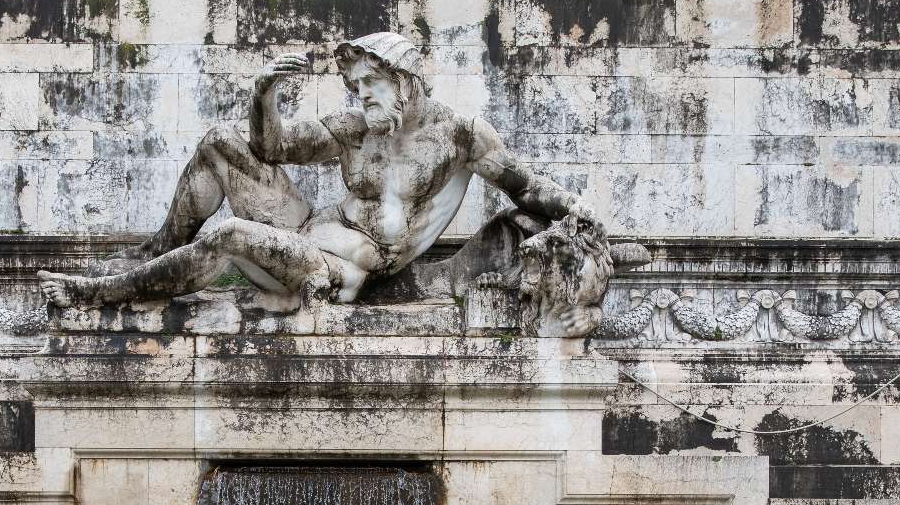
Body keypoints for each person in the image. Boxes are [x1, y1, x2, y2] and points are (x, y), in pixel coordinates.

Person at [37, 32, 598, 313]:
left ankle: (104, 294)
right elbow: (271, 146)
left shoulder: (458, 136)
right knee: (220, 144)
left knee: (229, 234)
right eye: (354, 87)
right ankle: (153, 254)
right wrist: (264, 94)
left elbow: (529, 188)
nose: (359, 96)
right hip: (307, 227)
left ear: (403, 80)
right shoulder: (355, 127)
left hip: (340, 265)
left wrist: (586, 221)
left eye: (367, 85)